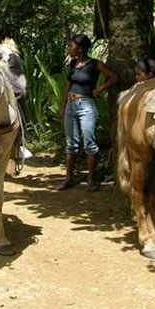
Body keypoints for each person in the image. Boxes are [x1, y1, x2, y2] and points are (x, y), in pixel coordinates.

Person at [57, 34, 117, 192]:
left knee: (89, 142)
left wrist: (99, 89)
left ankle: (91, 180)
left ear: (81, 49)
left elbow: (112, 78)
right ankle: (68, 178)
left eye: (72, 46)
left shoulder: (95, 64)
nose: (70, 49)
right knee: (71, 143)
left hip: (86, 105)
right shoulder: (73, 63)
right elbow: (68, 86)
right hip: (71, 105)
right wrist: (63, 107)